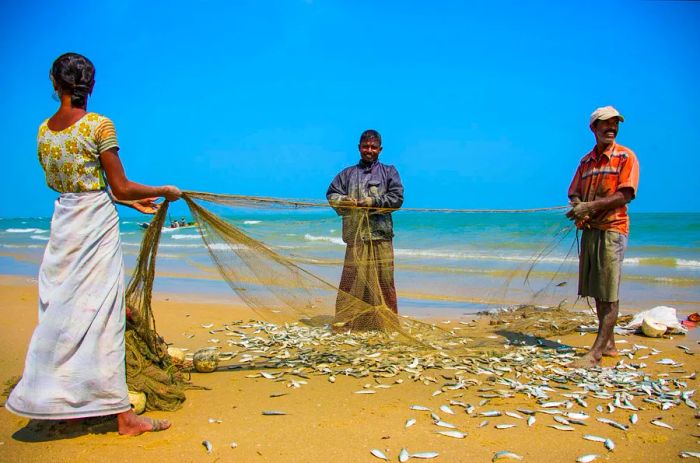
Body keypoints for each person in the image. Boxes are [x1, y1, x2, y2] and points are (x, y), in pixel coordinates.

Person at [5, 53, 181, 435]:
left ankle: (53, 403)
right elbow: (118, 184)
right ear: (92, 85)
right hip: (94, 226)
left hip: (64, 223)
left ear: (55, 83)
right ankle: (124, 417)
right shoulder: (100, 125)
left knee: (60, 314)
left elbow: (76, 183)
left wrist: (128, 199)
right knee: (102, 316)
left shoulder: (43, 132)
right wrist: (162, 190)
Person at [566, 106, 640, 368]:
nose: (611, 128)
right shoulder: (586, 162)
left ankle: (595, 354)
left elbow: (625, 195)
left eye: (614, 124)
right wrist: (579, 208)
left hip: (613, 229)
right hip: (590, 230)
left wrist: (590, 207)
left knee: (608, 291)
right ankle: (609, 344)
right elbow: (574, 192)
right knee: (597, 289)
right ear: (593, 129)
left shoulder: (625, 156)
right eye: (605, 124)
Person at [326, 129, 404, 330]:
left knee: (385, 282)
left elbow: (397, 199)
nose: (369, 150)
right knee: (350, 283)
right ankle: (346, 322)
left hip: (381, 237)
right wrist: (344, 201)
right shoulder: (346, 174)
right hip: (355, 238)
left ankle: (387, 323)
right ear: (359, 148)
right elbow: (332, 194)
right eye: (365, 146)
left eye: (373, 147)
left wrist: (372, 201)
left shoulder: (390, 172)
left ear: (380, 149)